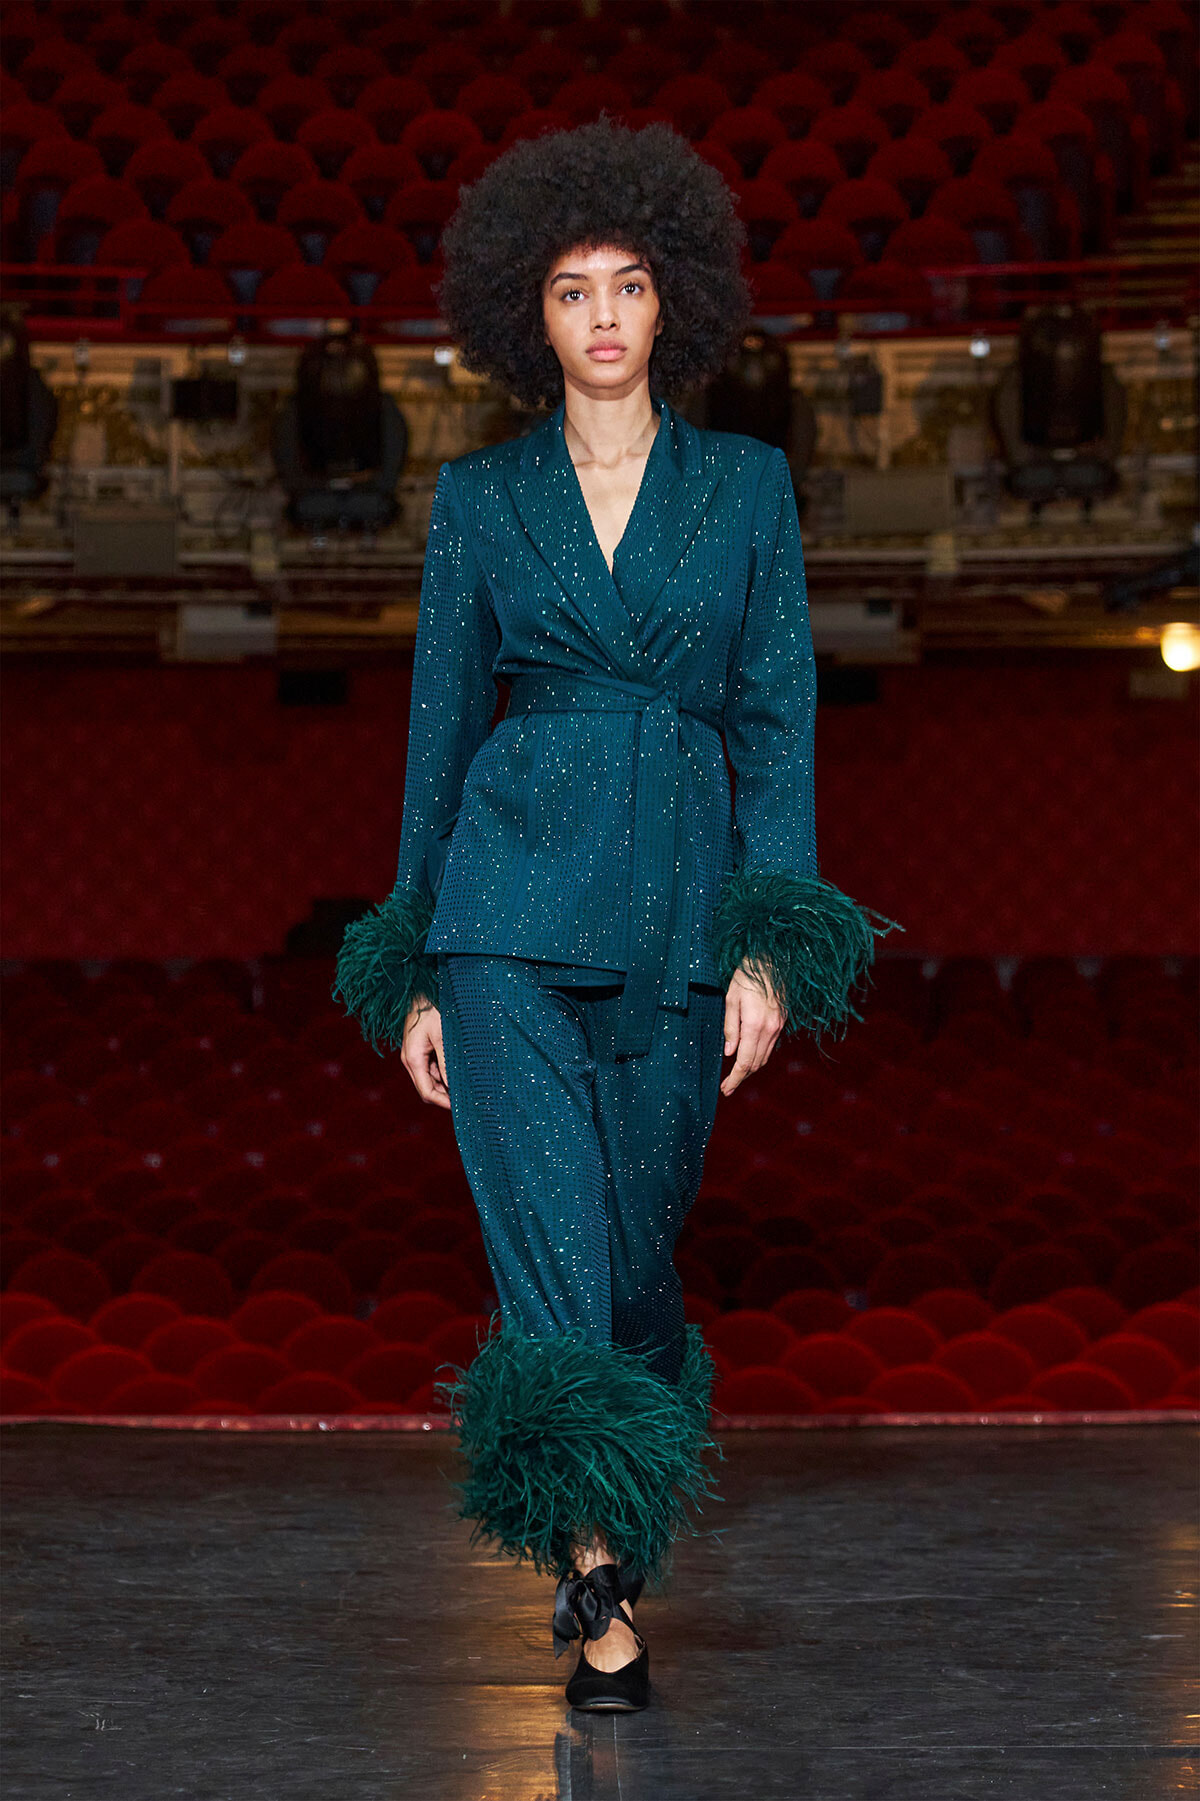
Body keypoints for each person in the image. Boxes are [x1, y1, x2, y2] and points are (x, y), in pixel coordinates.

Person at [333, 114, 902, 1712]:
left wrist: (774, 941)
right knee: (551, 1257)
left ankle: (614, 1505)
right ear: (534, 311)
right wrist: (416, 967)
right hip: (502, 920)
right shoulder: (481, 499)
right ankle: (594, 1581)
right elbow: (438, 736)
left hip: (674, 920)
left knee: (638, 1266)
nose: (599, 311)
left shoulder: (744, 489)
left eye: (629, 283)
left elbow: (780, 718)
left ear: (673, 308)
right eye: (572, 286)